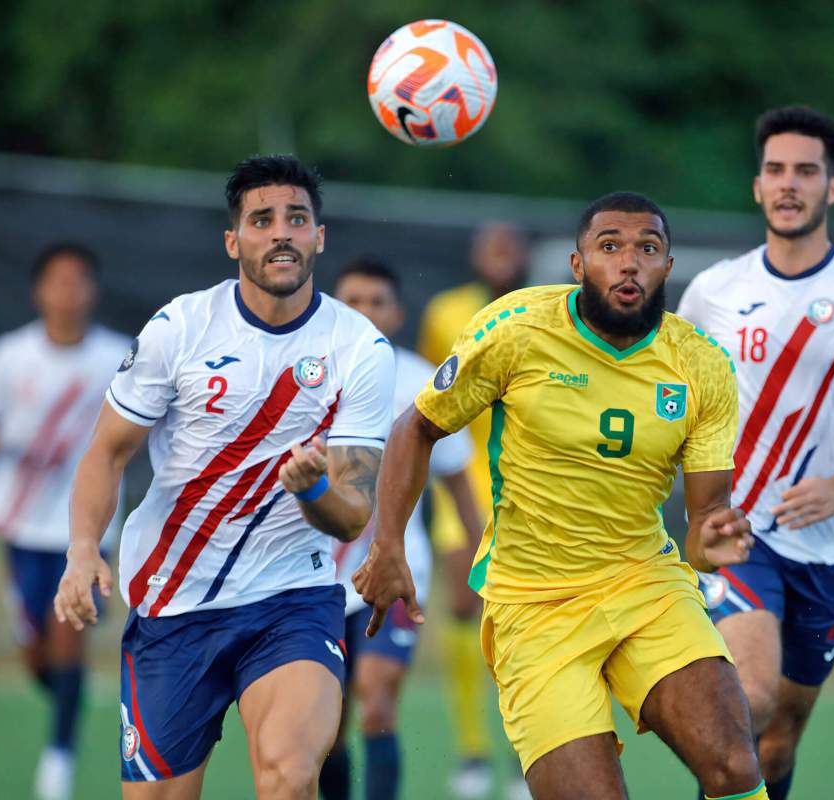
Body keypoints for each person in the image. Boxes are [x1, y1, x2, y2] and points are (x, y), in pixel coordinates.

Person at [355, 191, 771, 800]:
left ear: (667, 268)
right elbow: (416, 427)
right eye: (610, 247)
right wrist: (389, 544)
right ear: (578, 266)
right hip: (533, 607)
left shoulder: (701, 364)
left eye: (647, 249)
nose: (628, 263)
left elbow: (706, 522)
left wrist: (711, 538)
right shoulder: (516, 330)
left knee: (734, 764)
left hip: (646, 587)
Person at [52, 155, 395, 800]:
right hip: (173, 601)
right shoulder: (178, 329)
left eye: (297, 218)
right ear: (234, 240)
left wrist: (313, 488)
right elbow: (105, 454)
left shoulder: (359, 348)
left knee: (290, 775)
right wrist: (80, 551)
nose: (282, 233)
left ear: (320, 236)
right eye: (262, 220)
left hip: (293, 599)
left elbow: (352, 511)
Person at [677, 106, 834, 800]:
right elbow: (669, 400)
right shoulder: (713, 292)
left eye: (806, 171)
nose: (789, 184)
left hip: (830, 550)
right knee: (750, 701)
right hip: (741, 533)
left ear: (833, 188)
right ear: (756, 186)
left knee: (780, 737)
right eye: (775, 170)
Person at [0, 242, 130, 800]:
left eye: (79, 280)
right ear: (39, 290)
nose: (68, 292)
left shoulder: (116, 356)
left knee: (69, 641)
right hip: (20, 524)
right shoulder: (10, 355)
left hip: (82, 530)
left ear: (94, 290)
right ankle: (69, 694)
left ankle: (57, 762)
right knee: (36, 655)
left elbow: (135, 433)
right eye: (57, 281)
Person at [320, 256, 485, 800]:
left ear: (397, 313)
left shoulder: (421, 383)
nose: (364, 312)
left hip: (392, 571)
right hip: (314, 577)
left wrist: (477, 560)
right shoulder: (305, 376)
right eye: (353, 300)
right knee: (328, 726)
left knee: (377, 698)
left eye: (377, 302)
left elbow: (460, 479)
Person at [416, 222, 529, 798]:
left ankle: (523, 749)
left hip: (531, 481)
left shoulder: (553, 308)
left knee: (523, 616)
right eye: (491, 245)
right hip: (463, 475)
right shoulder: (445, 312)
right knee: (465, 602)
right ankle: (471, 749)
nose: (501, 255)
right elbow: (426, 392)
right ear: (476, 254)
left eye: (511, 245)